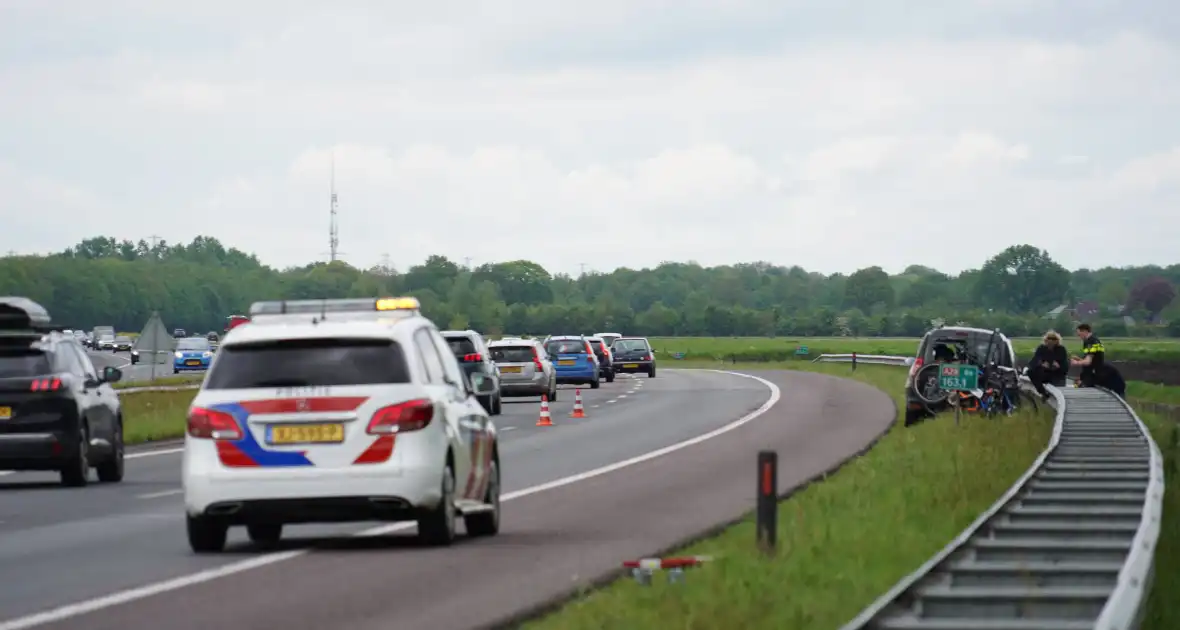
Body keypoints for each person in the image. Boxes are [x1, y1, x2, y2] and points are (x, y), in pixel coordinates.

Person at [1070, 323, 1126, 398]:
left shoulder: (1091, 342)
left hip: (1099, 372)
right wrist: (1080, 360)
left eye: (1079, 335)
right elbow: (1094, 359)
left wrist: (1076, 363)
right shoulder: (1092, 341)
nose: (1079, 337)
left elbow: (1088, 362)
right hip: (1099, 370)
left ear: (1085, 331)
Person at [1027, 330, 1068, 400]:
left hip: (1057, 374)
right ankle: (1043, 392)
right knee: (1030, 371)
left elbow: (1065, 366)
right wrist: (1041, 364)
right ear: (1046, 340)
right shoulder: (1041, 348)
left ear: (1057, 341)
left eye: (1053, 339)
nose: (1051, 341)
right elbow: (1033, 362)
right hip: (1045, 373)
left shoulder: (1061, 349)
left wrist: (1059, 366)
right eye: (1049, 339)